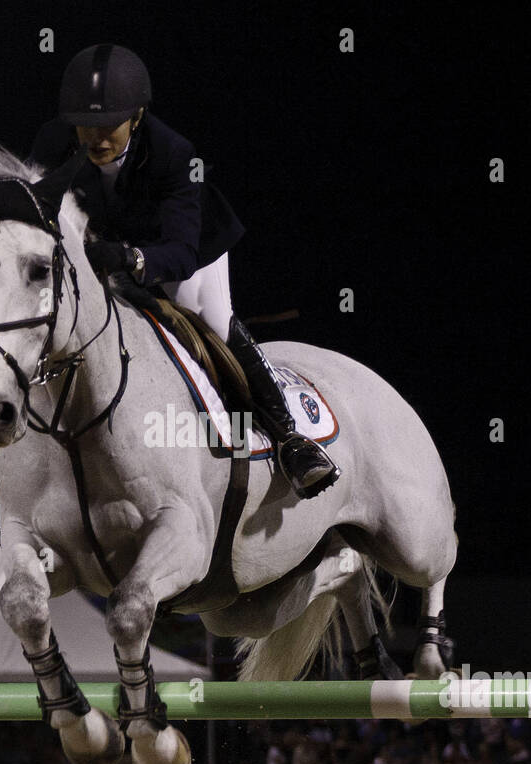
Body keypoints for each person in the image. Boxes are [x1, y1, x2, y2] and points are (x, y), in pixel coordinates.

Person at [26, 43, 339, 499]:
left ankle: (290, 438)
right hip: (107, 244)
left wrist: (134, 260)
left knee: (206, 315)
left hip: (186, 245)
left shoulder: (174, 153)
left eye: (108, 124)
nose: (95, 137)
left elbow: (181, 249)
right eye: (85, 125)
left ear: (137, 117)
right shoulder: (52, 145)